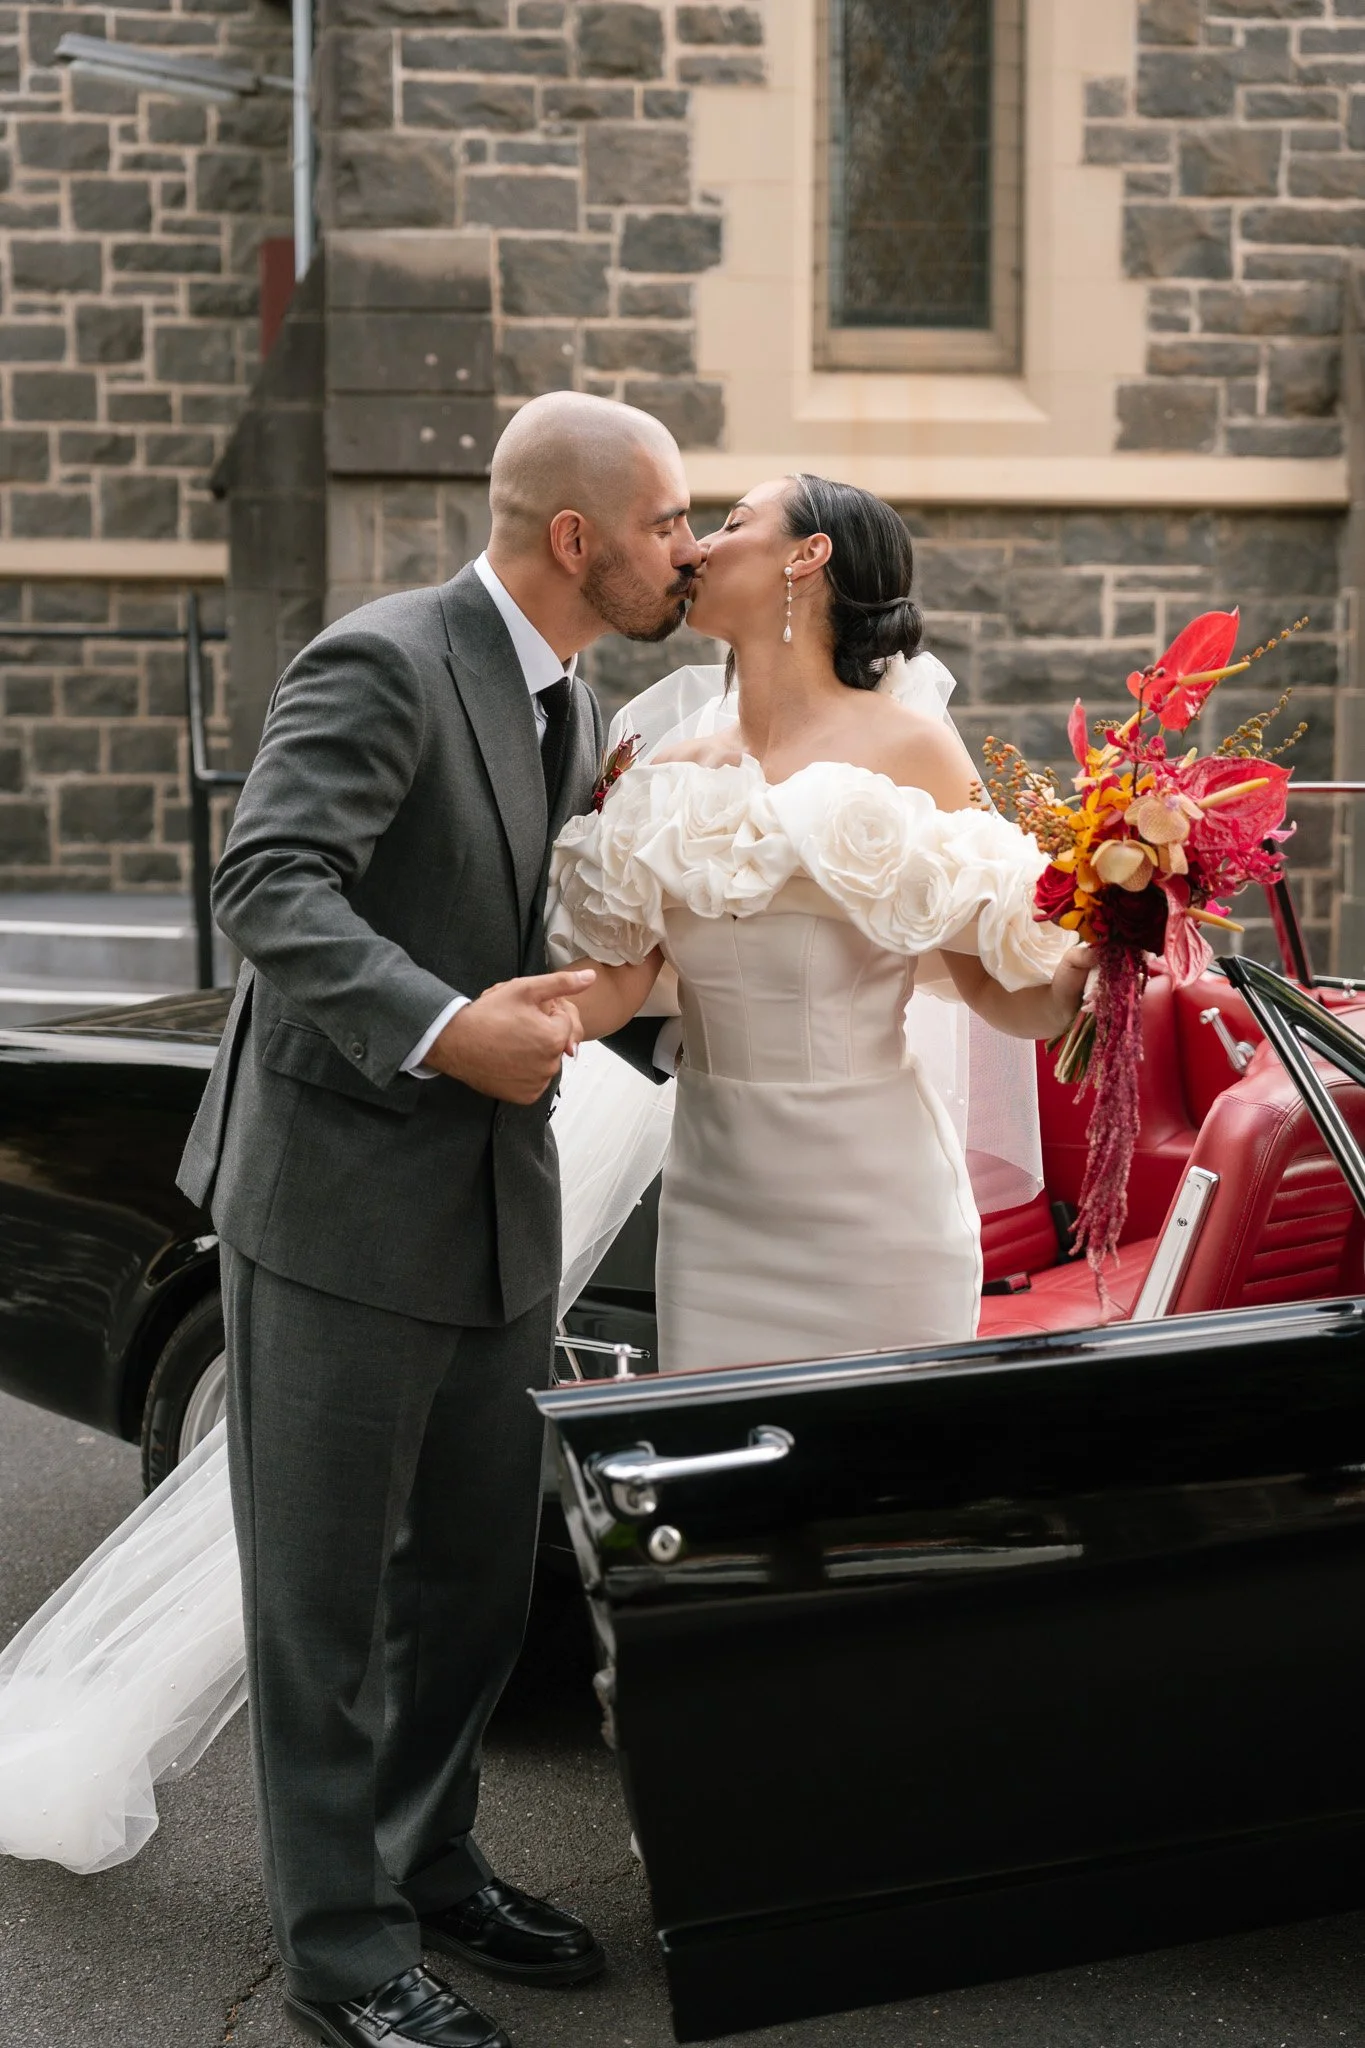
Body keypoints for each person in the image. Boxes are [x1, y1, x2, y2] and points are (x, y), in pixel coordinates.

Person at [173, 391, 702, 2048]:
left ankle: (431, 1857)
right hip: (332, 1206)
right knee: (322, 1603)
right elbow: (270, 881)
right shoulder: (384, 658)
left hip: (494, 1204)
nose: (689, 548)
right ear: (575, 538)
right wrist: (441, 1021)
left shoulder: (569, 690)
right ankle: (340, 1951)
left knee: (472, 1579)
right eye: (671, 522)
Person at [547, 474, 1091, 1370]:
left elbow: (996, 991)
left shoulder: (912, 750)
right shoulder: (669, 772)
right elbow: (619, 979)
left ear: (808, 555)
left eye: (730, 523)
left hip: (880, 1210)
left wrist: (1077, 981)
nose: (697, 548)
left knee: (890, 1497)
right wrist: (533, 1014)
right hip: (715, 1211)